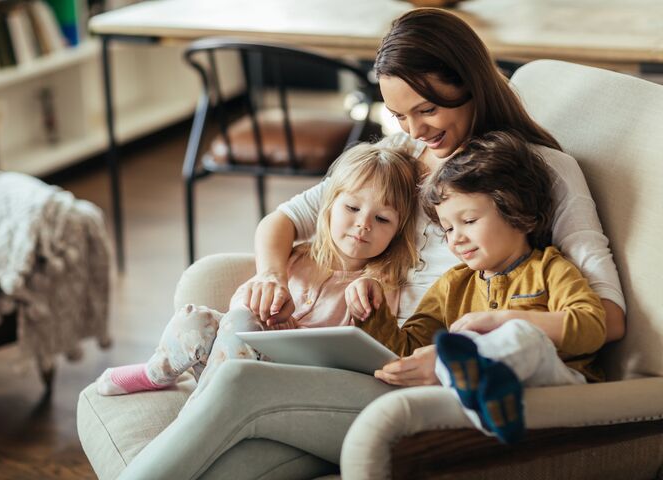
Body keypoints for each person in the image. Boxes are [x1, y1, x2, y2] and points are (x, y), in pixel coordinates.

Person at [118, 8, 626, 479]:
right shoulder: (399, 155)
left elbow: (609, 317)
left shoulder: (546, 172)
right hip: (371, 355)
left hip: (438, 380)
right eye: (399, 115)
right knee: (241, 446)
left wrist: (463, 352)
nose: (415, 130)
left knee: (239, 382)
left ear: (470, 83)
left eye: (426, 109)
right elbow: (285, 220)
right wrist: (271, 275)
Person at [96, 143, 420, 405]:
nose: (364, 224)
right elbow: (243, 303)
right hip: (235, 357)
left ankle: (201, 413)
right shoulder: (297, 256)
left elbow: (349, 354)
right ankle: (156, 374)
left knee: (240, 325)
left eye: (382, 219)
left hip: (287, 380)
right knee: (197, 319)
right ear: (329, 207)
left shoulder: (377, 287)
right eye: (352, 208)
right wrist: (263, 305)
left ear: (397, 231)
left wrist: (286, 329)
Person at [354, 131, 606, 444]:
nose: (455, 238)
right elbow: (408, 350)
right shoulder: (452, 285)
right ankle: (486, 400)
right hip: (483, 408)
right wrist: (373, 310)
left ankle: (483, 383)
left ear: (516, 212)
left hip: (557, 388)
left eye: (469, 221)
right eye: (447, 228)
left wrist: (505, 320)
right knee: (446, 350)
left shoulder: (550, 269)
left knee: (520, 335)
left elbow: (594, 326)